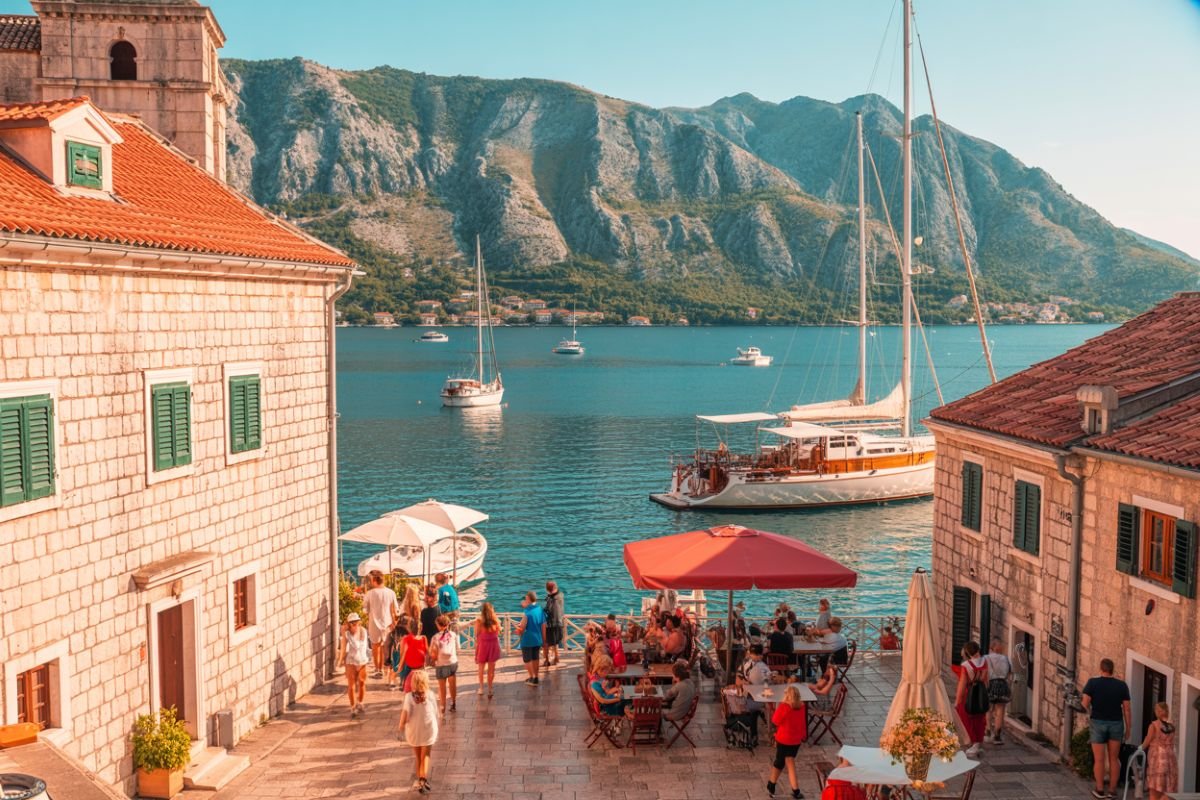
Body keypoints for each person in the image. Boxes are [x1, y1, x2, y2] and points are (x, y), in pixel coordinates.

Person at [1082, 658, 1131, 800]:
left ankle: (1099, 789)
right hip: (1116, 723)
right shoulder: (1122, 685)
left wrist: (1089, 712)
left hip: (1097, 723)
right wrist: (1128, 728)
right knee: (1114, 759)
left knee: (1099, 759)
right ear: (1112, 669)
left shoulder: (1092, 683)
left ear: (1101, 668)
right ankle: (1112, 791)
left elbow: (1084, 704)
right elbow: (1127, 709)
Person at [398, 668, 439, 795]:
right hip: (428, 729)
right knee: (425, 755)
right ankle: (423, 779)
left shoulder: (409, 697)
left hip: (414, 730)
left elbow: (405, 714)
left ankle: (419, 779)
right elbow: (435, 712)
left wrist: (400, 726)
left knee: (418, 756)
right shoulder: (430, 695)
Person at [766, 684, 808, 799]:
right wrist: (803, 736)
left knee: (779, 763)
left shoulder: (784, 707)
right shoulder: (802, 706)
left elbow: (775, 721)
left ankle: (771, 784)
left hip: (784, 739)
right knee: (790, 761)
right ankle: (795, 790)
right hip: (795, 740)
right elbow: (803, 722)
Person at [954, 641, 988, 758]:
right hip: (981, 694)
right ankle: (978, 742)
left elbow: (962, 684)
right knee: (980, 718)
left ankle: (973, 743)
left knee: (967, 718)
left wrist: (957, 700)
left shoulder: (966, 666)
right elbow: (986, 680)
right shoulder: (985, 662)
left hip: (969, 694)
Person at [363, 573, 398, 678]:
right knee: (384, 646)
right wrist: (394, 622)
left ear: (374, 580)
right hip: (388, 623)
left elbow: (365, 610)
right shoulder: (391, 593)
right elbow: (395, 609)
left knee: (375, 646)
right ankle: (382, 668)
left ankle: (377, 669)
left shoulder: (370, 593)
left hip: (374, 622)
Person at [1141, 701, 1178, 800]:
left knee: (1154, 788)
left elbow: (1148, 740)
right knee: (1167, 787)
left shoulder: (1154, 725)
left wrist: (1140, 748)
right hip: (1170, 758)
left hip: (1157, 758)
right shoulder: (1172, 726)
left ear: (1158, 712)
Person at [338, 612, 370, 718]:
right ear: (349, 624)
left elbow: (360, 646)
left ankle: (360, 702)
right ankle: (352, 707)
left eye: (356, 623)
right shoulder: (347, 634)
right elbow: (343, 648)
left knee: (362, 682)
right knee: (351, 685)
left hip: (362, 660)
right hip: (351, 661)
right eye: (352, 623)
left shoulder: (363, 631)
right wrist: (340, 661)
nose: (354, 625)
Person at [983, 638, 1012, 744]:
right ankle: (997, 736)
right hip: (1002, 684)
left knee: (988, 709)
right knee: (1000, 710)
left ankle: (988, 731)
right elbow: (1010, 674)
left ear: (991, 648)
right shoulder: (1006, 659)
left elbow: (984, 673)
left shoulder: (986, 658)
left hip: (990, 684)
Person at [517, 590, 547, 686]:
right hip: (537, 638)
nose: (525, 600)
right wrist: (544, 640)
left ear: (529, 599)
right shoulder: (540, 609)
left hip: (527, 639)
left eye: (526, 598)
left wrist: (518, 629)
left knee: (527, 659)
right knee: (535, 658)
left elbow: (522, 628)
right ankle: (536, 677)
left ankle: (531, 678)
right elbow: (543, 625)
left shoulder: (527, 612)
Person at [431, 614, 458, 714]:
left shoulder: (435, 637)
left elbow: (433, 654)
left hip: (441, 664)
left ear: (438, 625)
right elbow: (458, 648)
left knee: (442, 687)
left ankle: (442, 707)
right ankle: (453, 703)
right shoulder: (453, 635)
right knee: (452, 684)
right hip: (452, 662)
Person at [474, 602, 501, 698]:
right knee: (491, 669)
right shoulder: (496, 620)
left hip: (483, 646)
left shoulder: (479, 621)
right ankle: (490, 689)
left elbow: (476, 634)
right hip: (493, 646)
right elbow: (498, 632)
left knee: (481, 668)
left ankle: (481, 688)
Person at [397, 618, 428, 693]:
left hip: (412, 668)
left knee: (409, 690)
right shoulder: (423, 638)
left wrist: (400, 666)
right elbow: (427, 653)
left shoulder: (406, 639)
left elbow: (403, 654)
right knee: (421, 689)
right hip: (419, 668)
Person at [542, 580, 565, 667]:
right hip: (559, 622)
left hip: (552, 623)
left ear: (547, 589)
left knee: (546, 642)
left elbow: (549, 610)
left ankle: (547, 660)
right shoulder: (560, 596)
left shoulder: (552, 599)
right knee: (555, 642)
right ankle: (556, 658)